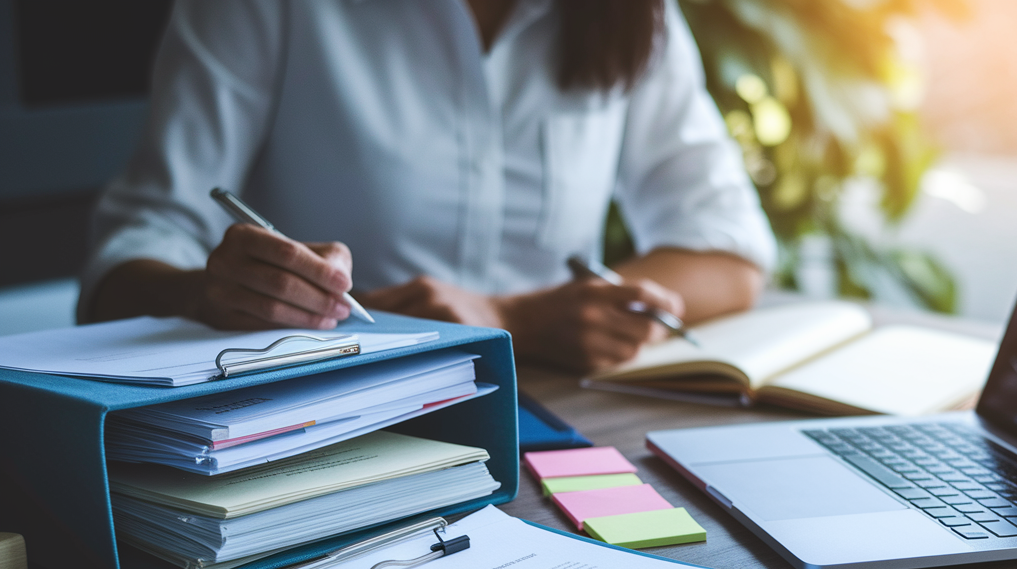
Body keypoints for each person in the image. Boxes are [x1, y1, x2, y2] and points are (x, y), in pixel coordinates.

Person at [80, 0, 774, 373]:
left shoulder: (628, 13)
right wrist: (208, 292)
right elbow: (121, 269)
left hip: (561, 416)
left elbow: (728, 255)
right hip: (329, 416)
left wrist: (510, 317)